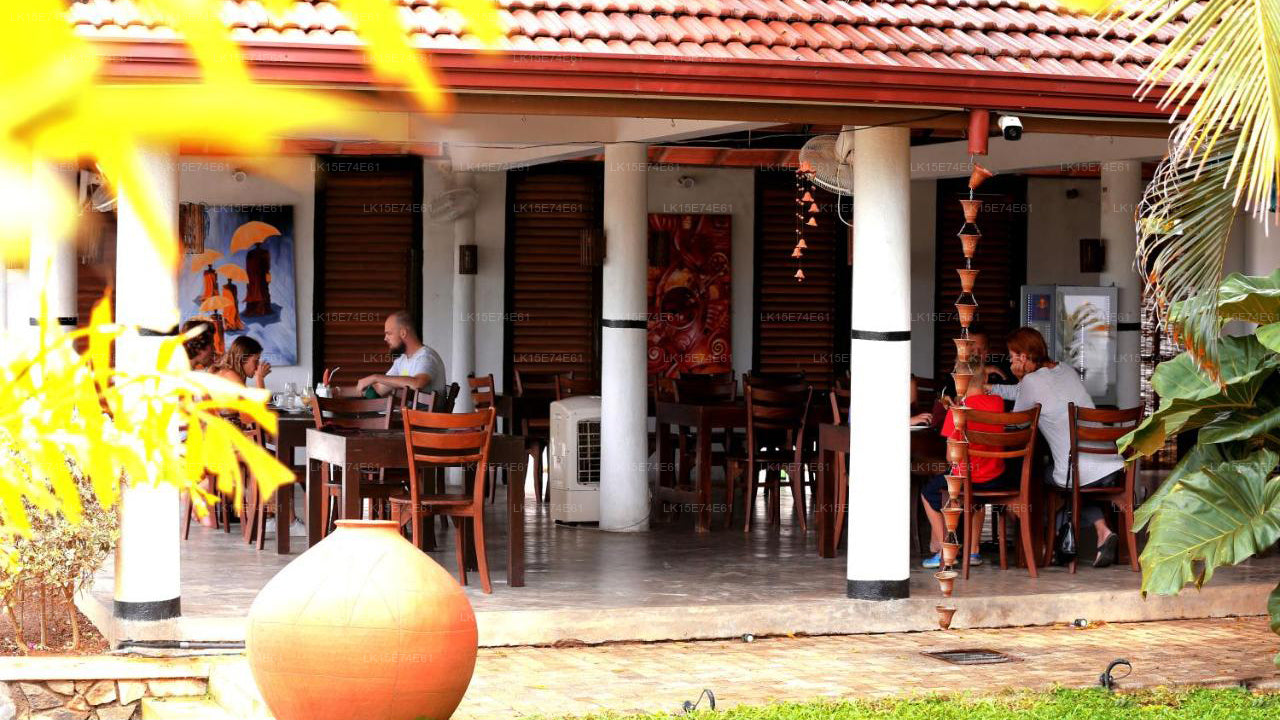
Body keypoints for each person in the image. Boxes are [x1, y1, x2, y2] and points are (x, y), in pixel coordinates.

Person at [989, 327, 1125, 568]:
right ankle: (1101, 529)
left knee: (1041, 479)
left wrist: (1018, 381)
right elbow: (1030, 391)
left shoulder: (1030, 381)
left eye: (1012, 356)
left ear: (1022, 357)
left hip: (1080, 472)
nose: (1010, 362)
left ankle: (1048, 540)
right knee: (1074, 479)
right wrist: (998, 389)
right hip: (1112, 465)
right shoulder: (1066, 369)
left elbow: (1018, 422)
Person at [919, 363, 1019, 569]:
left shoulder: (957, 411)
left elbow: (951, 458)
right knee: (974, 499)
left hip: (967, 480)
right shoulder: (998, 403)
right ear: (985, 380)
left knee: (928, 493)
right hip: (995, 478)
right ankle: (973, 551)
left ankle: (945, 550)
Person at [356, 311, 446, 398]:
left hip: (422, 409)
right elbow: (379, 388)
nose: (385, 338)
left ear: (403, 333)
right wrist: (347, 392)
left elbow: (417, 384)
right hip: (409, 408)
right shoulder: (402, 360)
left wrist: (375, 377)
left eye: (389, 333)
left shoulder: (426, 357)